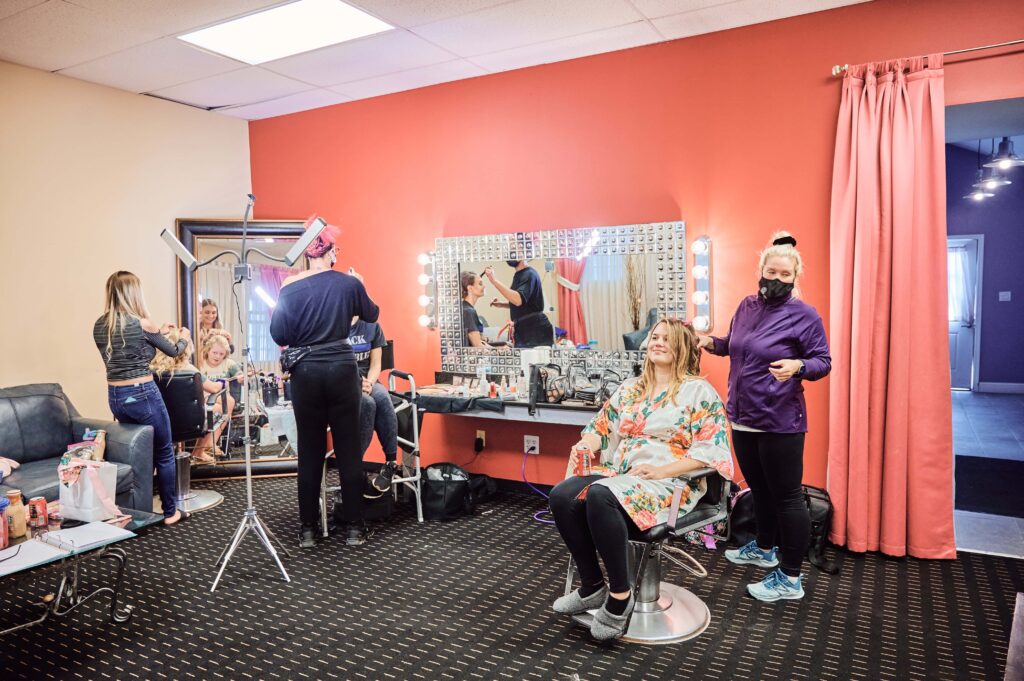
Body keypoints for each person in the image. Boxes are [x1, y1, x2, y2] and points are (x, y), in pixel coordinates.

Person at [549, 318, 733, 640]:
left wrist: (662, 470)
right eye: (655, 337)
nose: (658, 342)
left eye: (667, 338)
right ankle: (593, 586)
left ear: (683, 348)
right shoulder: (631, 389)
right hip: (624, 474)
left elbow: (710, 452)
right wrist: (585, 444)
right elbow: (600, 430)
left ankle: (620, 597)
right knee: (562, 496)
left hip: (671, 482)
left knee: (600, 495)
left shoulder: (698, 392)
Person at [698, 231, 831, 602]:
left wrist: (798, 365)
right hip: (742, 416)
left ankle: (790, 577)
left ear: (794, 278)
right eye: (771, 271)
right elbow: (734, 345)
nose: (776, 279)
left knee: (787, 496)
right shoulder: (746, 306)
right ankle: (764, 547)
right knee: (759, 491)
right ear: (761, 270)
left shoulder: (804, 315)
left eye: (785, 275)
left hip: (780, 421)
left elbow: (823, 361)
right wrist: (712, 342)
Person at [270, 218, 379, 549]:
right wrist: (359, 284)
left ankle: (307, 531)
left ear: (305, 254)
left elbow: (280, 335)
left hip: (307, 374)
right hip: (342, 369)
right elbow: (372, 314)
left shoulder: (289, 287)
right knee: (347, 449)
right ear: (331, 252)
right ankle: (355, 530)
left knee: (310, 450)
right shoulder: (348, 284)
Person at [93, 271, 190, 525]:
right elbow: (174, 352)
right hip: (143, 394)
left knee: (135, 452)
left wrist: (160, 332)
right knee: (164, 452)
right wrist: (183, 338)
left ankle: (137, 511)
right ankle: (170, 512)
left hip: (115, 396)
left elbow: (131, 355)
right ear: (133, 293)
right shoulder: (142, 323)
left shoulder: (100, 325)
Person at [150, 329, 236, 463]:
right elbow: (214, 388)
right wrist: (221, 382)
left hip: (161, 420)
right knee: (216, 409)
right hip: (190, 423)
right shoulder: (190, 370)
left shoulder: (152, 370)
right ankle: (198, 451)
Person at [348, 316, 400, 494]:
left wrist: (369, 382)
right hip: (345, 383)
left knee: (383, 399)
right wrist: (356, 384)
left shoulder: (372, 327)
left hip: (369, 380)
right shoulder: (334, 326)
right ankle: (354, 465)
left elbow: (376, 363)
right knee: (368, 403)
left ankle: (390, 463)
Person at [484, 257, 553, 348]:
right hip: (524, 328)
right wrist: (501, 304)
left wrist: (494, 281)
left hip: (535, 330)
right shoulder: (519, 275)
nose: (509, 255)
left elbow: (518, 300)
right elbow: (523, 302)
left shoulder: (529, 274)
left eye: (513, 250)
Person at [197, 298, 233, 363]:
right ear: (201, 313)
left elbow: (230, 351)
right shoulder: (196, 331)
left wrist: (229, 341)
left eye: (214, 313)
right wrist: (206, 338)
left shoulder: (220, 330)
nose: (211, 316)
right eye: (207, 312)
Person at [460, 271, 490, 348]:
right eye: (480, 284)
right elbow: (478, 346)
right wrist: (500, 351)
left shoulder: (466, 308)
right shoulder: (468, 311)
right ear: (470, 288)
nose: (484, 286)